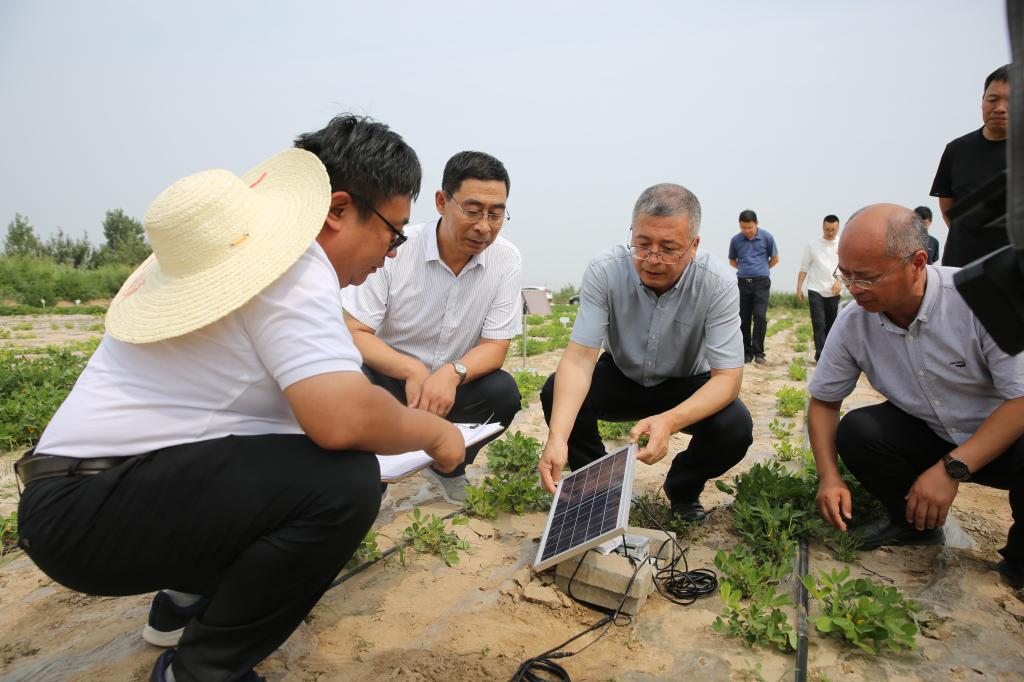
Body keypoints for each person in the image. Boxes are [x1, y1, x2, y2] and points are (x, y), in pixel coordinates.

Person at [15, 115, 465, 682]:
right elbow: (342, 417)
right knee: (344, 484)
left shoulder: (252, 262)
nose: (393, 252)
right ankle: (200, 674)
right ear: (338, 209)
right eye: (393, 233)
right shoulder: (294, 265)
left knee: (298, 459)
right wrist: (438, 435)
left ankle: (181, 605)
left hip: (72, 499)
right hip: (90, 512)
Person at [807, 203, 1024, 589]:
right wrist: (829, 477)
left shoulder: (980, 299)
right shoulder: (853, 322)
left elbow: (1021, 399)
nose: (854, 288)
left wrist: (952, 468)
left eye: (868, 277)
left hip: (1004, 440)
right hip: (934, 432)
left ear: (918, 262)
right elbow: (824, 403)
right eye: (846, 274)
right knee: (859, 430)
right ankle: (913, 525)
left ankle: (1018, 565)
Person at [538, 183, 753, 522]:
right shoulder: (605, 270)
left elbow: (727, 379)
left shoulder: (718, 282)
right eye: (642, 244)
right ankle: (597, 488)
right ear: (632, 233)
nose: (652, 259)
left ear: (694, 245)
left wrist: (670, 421)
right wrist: (557, 438)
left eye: (668, 249)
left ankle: (683, 488)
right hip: (622, 375)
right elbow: (579, 360)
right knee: (557, 391)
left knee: (735, 426)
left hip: (685, 383)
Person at [342, 151, 522, 504]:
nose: (484, 227)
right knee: (351, 376)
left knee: (502, 392)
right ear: (442, 201)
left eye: (495, 214)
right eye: (473, 211)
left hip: (450, 387)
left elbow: (495, 346)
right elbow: (355, 331)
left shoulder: (506, 258)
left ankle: (447, 467)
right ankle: (373, 476)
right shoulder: (398, 247)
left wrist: (453, 374)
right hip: (390, 378)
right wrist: (412, 370)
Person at [930, 65, 1011, 267]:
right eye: (992, 99)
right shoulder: (957, 149)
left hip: (1014, 269)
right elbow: (948, 207)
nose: (1000, 108)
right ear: (982, 101)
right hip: (961, 266)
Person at [728, 209, 779, 364]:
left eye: (749, 227)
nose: (746, 231)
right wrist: (745, 270)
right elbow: (732, 261)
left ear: (756, 223)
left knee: (760, 317)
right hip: (743, 283)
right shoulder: (735, 240)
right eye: (743, 227)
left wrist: (762, 269)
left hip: (761, 283)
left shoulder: (767, 237)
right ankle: (746, 353)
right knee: (743, 318)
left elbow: (775, 258)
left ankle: (759, 353)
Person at [796, 215, 842, 362]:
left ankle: (828, 354)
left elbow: (846, 266)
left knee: (831, 325)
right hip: (815, 289)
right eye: (827, 229)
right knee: (819, 323)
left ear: (838, 228)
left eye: (833, 230)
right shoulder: (812, 245)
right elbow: (804, 267)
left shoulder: (842, 244)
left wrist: (840, 281)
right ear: (823, 227)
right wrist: (799, 287)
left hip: (833, 290)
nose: (830, 233)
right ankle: (821, 354)